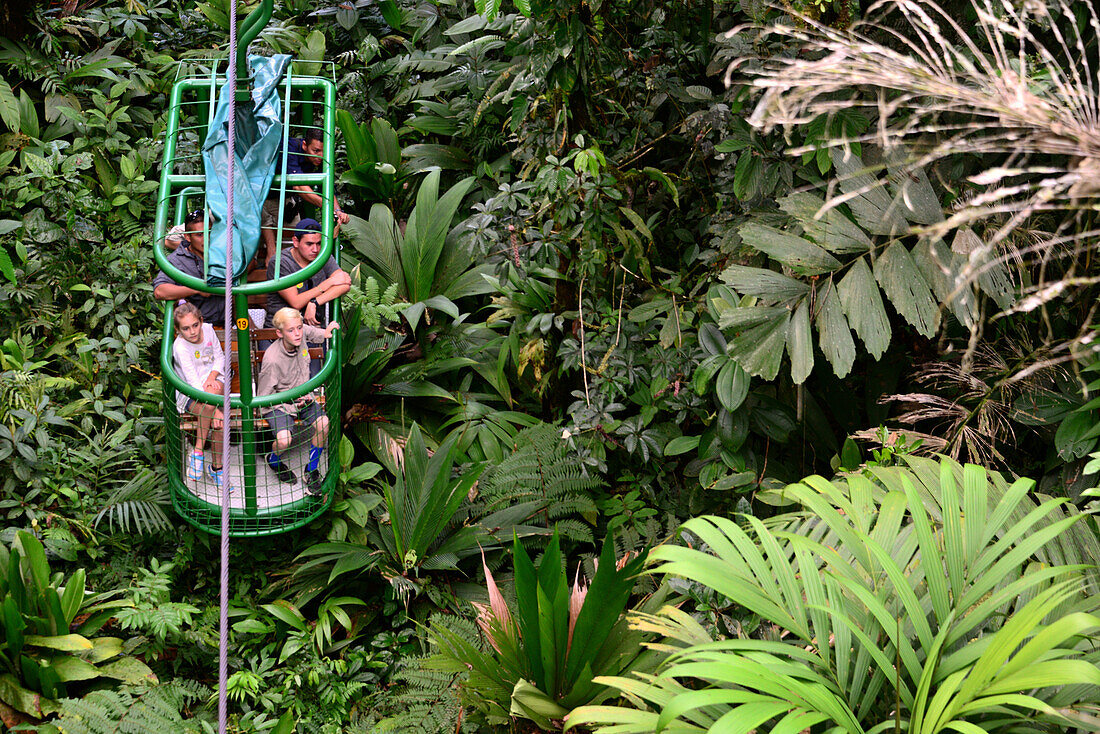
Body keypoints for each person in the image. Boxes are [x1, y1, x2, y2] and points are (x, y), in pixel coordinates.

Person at [257, 307, 339, 495]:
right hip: (280, 404)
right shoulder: (272, 359)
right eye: (291, 330)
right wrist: (290, 400)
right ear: (279, 333)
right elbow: (264, 397)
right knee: (284, 440)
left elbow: (312, 332)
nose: (297, 333)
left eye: (299, 328)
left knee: (324, 424)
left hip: (304, 398)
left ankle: (311, 470)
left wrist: (327, 331)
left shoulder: (300, 336)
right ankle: (274, 459)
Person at [260, 129, 350, 260]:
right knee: (269, 247)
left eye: (324, 151)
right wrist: (327, 205)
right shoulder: (288, 148)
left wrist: (338, 210)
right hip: (261, 197)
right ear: (304, 145)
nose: (320, 155)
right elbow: (299, 185)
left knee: (297, 243)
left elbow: (328, 188)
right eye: (316, 151)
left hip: (284, 200)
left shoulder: (320, 159)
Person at [171, 303, 229, 490]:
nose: (193, 332)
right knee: (218, 420)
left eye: (195, 325)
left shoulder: (209, 330)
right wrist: (214, 409)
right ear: (178, 330)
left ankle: (198, 451)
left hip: (214, 383)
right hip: (190, 392)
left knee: (211, 408)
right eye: (186, 329)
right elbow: (193, 382)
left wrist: (212, 377)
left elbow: (220, 357)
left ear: (201, 321)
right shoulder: (180, 347)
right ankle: (217, 469)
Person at [264, 218, 351, 329]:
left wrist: (315, 302)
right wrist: (328, 283)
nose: (315, 249)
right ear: (295, 242)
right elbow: (296, 302)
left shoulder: (322, 255)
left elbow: (345, 284)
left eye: (318, 243)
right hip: (281, 331)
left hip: (313, 330)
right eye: (309, 244)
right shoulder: (280, 262)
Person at [153, 210, 226, 323]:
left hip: (229, 323)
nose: (207, 239)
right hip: (198, 328)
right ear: (187, 237)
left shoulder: (221, 253)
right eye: (200, 235)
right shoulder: (177, 260)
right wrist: (197, 288)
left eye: (210, 232)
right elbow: (160, 291)